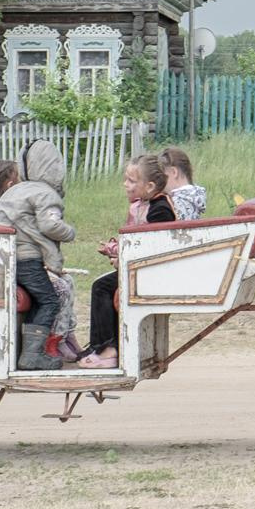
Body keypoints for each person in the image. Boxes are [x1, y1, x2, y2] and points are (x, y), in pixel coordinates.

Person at [81, 153, 177, 370]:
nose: (125, 185)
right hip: (139, 268)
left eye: (132, 181)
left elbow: (154, 249)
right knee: (103, 284)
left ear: (150, 186)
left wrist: (122, 257)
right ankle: (101, 346)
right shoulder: (144, 205)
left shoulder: (160, 209)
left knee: (101, 287)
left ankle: (107, 349)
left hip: (151, 271)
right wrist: (118, 254)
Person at [0, 139, 77, 370]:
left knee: (42, 299)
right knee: (50, 300)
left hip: (9, 259)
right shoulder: (45, 193)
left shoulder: (17, 191)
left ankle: (32, 352)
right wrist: (70, 232)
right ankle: (32, 355)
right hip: (27, 259)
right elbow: (50, 225)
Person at [160, 145, 207, 221]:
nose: (159, 182)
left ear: (174, 172)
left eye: (161, 176)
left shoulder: (174, 203)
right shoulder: (196, 197)